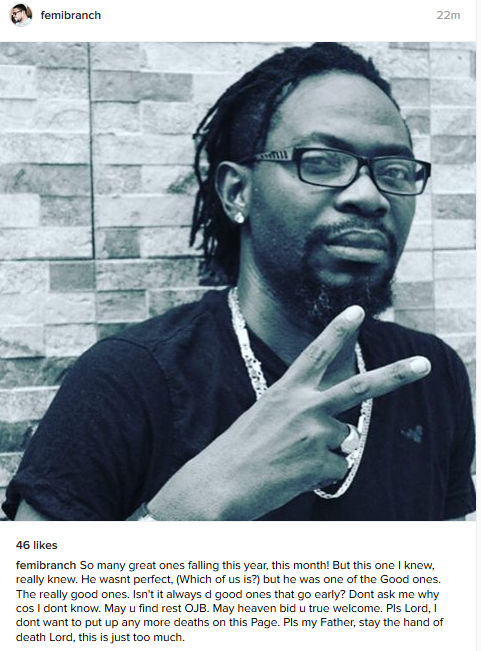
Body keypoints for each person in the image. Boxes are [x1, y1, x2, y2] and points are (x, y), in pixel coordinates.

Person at [3, 42, 475, 522]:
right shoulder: (127, 379)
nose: (370, 196)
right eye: (321, 161)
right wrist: (193, 508)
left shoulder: (429, 372)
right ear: (237, 191)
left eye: (394, 171)